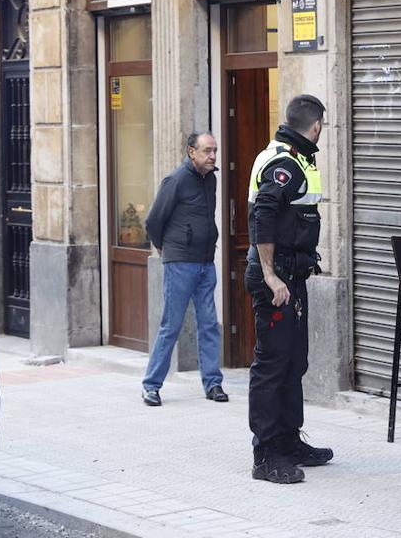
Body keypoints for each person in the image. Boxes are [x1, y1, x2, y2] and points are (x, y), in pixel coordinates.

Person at [244, 94, 334, 484]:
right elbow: (262, 215)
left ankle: (288, 440)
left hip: (290, 277)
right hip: (276, 281)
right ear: (315, 127)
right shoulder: (285, 163)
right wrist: (270, 275)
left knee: (294, 362)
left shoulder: (294, 156)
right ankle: (266, 455)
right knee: (272, 366)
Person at [140, 132, 227, 407]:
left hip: (205, 262)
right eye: (207, 151)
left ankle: (213, 384)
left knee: (209, 325)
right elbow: (153, 220)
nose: (213, 156)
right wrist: (163, 248)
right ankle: (151, 385)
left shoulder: (210, 179)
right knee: (171, 325)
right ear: (192, 152)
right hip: (180, 263)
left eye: (214, 150)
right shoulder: (175, 180)